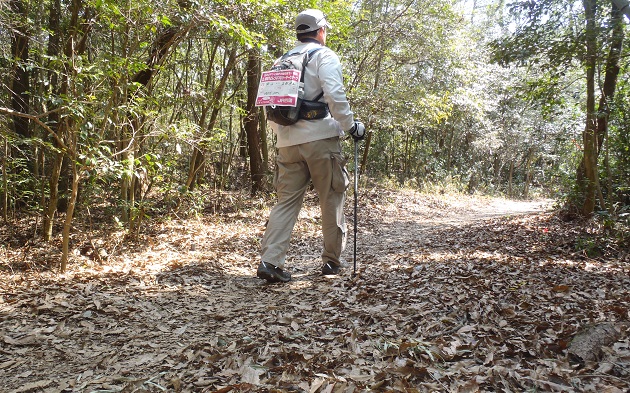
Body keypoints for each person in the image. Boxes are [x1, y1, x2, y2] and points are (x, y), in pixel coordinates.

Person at [256, 9, 366, 283]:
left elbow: (270, 107)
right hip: (320, 140)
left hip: (287, 142)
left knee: (286, 202)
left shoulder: (281, 61)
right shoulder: (324, 55)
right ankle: (331, 262)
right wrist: (350, 126)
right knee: (331, 197)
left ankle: (271, 261)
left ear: (298, 32)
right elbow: (334, 94)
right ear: (320, 31)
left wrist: (282, 134)